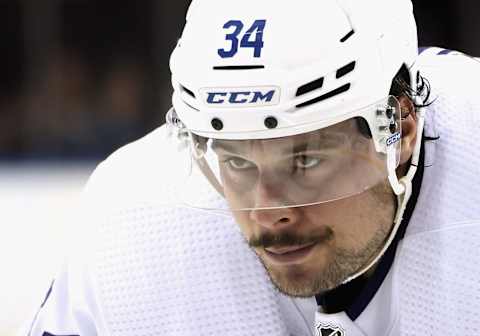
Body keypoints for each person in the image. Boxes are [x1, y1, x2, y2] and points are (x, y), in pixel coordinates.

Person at [23, 0, 480, 335]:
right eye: (237, 160)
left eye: (307, 160)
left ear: (399, 130)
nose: (266, 212)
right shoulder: (132, 215)